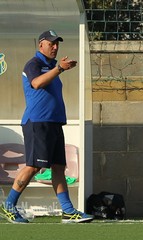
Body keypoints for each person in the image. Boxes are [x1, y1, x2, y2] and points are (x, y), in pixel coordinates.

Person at [0, 30, 93, 224]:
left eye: (57, 43)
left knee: (59, 167)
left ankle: (68, 211)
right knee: (33, 166)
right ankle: (8, 205)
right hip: (37, 123)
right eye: (51, 43)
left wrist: (58, 68)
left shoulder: (52, 66)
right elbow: (36, 83)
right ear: (41, 45)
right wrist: (59, 68)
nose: (55, 47)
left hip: (54, 123)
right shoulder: (34, 64)